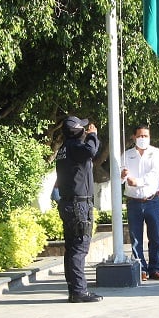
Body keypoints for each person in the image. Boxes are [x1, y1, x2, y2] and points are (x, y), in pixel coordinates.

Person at [55, 116, 103, 303]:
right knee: (79, 248)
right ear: (76, 131)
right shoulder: (76, 147)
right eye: (82, 128)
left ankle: (74, 289)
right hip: (78, 205)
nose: (85, 130)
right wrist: (93, 135)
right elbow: (91, 150)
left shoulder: (64, 149)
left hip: (69, 203)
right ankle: (79, 292)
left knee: (72, 248)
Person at [122, 125, 159, 281]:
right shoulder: (127, 155)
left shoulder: (156, 153)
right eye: (140, 136)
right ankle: (141, 269)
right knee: (136, 238)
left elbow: (154, 176)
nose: (143, 139)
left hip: (152, 200)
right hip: (133, 202)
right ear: (134, 137)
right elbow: (119, 178)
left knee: (155, 237)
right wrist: (122, 176)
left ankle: (155, 268)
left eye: (146, 136)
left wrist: (137, 182)